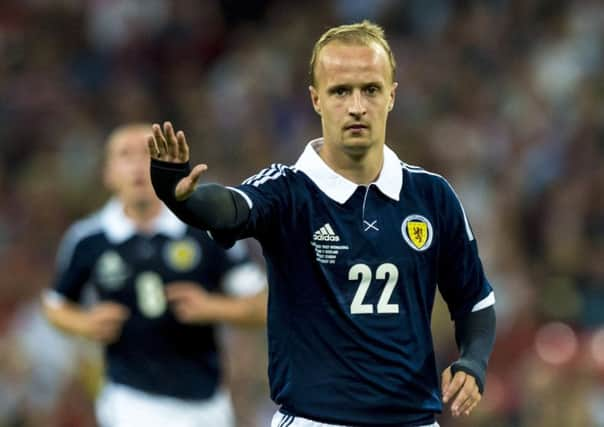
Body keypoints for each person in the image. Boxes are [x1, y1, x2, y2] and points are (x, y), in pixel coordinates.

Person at [148, 20, 496, 427]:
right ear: (315, 99)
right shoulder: (288, 190)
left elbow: (474, 301)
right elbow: (230, 207)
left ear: (392, 96)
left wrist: (472, 362)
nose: (356, 106)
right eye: (340, 91)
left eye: (370, 89)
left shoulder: (432, 196)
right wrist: (184, 198)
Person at [43, 123, 267, 427]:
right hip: (130, 399)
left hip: (208, 402)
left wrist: (214, 307)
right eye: (125, 155)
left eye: (148, 153)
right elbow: (55, 305)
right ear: (108, 173)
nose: (138, 165)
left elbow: (265, 304)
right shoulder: (88, 240)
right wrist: (85, 323)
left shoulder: (204, 231)